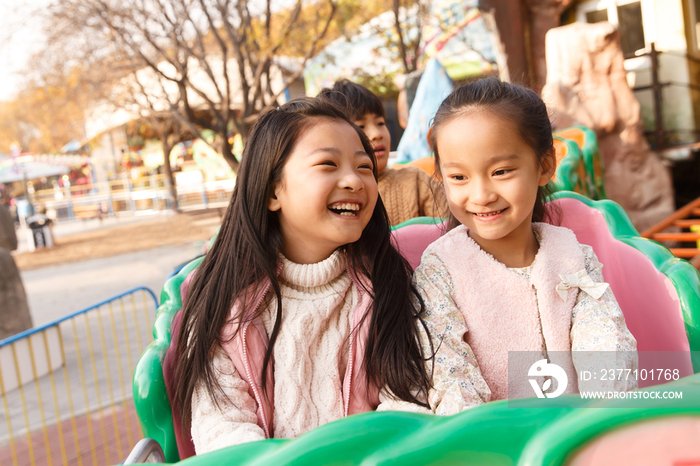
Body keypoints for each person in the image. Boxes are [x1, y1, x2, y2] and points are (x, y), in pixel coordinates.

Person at [169, 98, 432, 456]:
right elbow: (221, 425)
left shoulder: (389, 283)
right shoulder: (223, 301)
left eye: (364, 166)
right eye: (328, 164)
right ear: (272, 190)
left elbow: (408, 401)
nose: (354, 180)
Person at [413, 78, 637, 415]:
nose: (481, 195)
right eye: (459, 177)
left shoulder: (573, 255)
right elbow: (449, 374)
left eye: (501, 171)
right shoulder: (440, 269)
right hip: (489, 444)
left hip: (576, 430)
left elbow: (607, 344)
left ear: (545, 165)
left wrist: (601, 418)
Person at [318, 79, 447, 226]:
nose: (376, 134)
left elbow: (453, 228)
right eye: (361, 126)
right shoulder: (337, 195)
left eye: (380, 123)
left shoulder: (417, 181)